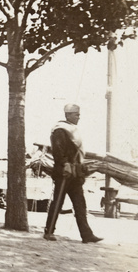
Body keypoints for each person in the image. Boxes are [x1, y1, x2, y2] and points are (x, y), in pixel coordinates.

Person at [44, 104, 103, 243]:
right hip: (64, 172)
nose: (79, 117)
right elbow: (58, 150)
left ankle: (87, 235)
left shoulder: (71, 130)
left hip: (75, 173)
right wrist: (65, 164)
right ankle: (49, 231)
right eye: (76, 114)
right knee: (58, 203)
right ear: (68, 115)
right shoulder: (60, 130)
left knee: (80, 204)